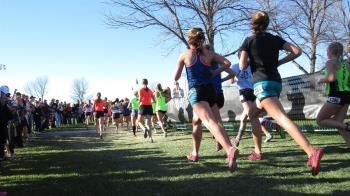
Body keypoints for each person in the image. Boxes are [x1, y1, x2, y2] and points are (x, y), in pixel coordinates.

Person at [239, 11, 323, 176]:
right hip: (275, 83)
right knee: (252, 114)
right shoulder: (275, 39)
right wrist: (278, 62)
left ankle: (311, 151)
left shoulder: (248, 41)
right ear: (267, 23)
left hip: (262, 84)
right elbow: (297, 51)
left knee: (281, 118)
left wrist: (251, 59)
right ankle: (257, 152)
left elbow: (242, 66)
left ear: (253, 24)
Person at [174, 27, 239, 172]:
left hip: (197, 92)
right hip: (210, 92)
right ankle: (198, 153)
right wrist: (214, 72)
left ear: (189, 39)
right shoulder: (209, 54)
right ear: (202, 39)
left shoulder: (185, 55)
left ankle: (229, 149)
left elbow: (176, 77)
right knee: (213, 122)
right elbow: (227, 63)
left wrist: (181, 68)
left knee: (209, 122)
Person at [316, 42, 350, 150]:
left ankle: (348, 126)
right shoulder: (346, 64)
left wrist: (321, 80)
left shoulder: (331, 62)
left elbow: (331, 79)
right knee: (338, 123)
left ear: (330, 51)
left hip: (336, 95)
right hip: (347, 95)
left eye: (327, 51)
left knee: (320, 120)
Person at [137, 79, 156, 143]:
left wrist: (138, 103)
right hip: (149, 107)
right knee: (149, 124)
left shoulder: (140, 90)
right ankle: (151, 138)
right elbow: (154, 100)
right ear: (147, 83)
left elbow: (140, 99)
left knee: (139, 121)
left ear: (142, 83)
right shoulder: (150, 90)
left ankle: (144, 129)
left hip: (143, 106)